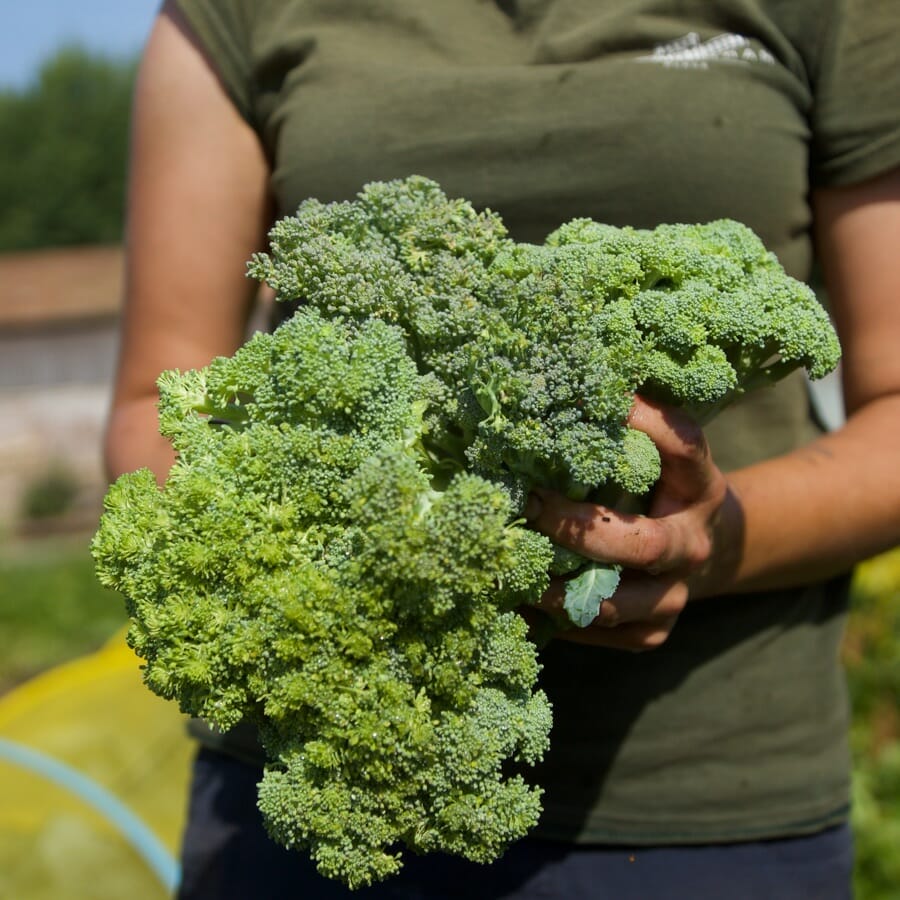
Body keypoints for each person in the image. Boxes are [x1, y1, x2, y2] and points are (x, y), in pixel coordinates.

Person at [104, 1, 900, 897]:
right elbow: (158, 401)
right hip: (324, 760)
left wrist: (704, 546)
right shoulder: (237, 13)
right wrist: (352, 546)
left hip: (711, 802)